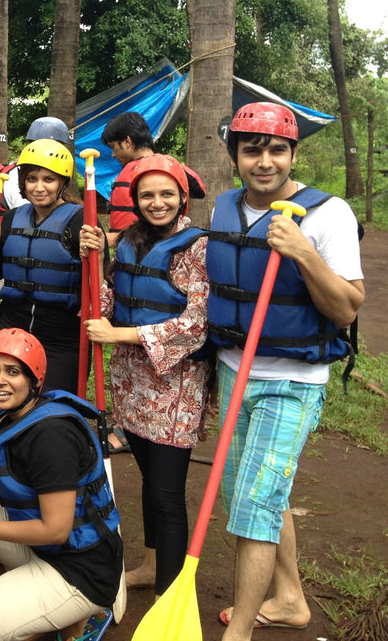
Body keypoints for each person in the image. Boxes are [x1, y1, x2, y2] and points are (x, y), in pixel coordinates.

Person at [209, 103, 363, 641]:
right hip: (234, 370)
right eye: (252, 150)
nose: (265, 161)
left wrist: (303, 254)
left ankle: (239, 633)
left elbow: (346, 310)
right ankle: (290, 598)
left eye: (277, 150)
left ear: (294, 154)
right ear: (235, 156)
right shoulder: (224, 207)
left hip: (293, 381)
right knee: (251, 494)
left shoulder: (328, 214)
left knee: (255, 505)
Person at [79, 154, 210, 599]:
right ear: (135, 200)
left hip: (175, 388)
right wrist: (97, 260)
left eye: (166, 194)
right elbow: (106, 302)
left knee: (167, 493)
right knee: (151, 485)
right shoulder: (129, 241)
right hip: (132, 384)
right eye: (148, 195)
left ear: (182, 197)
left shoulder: (197, 248)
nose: (157, 202)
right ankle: (154, 567)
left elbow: (195, 323)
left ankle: (169, 595)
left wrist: (120, 334)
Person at [0, 328, 123, 641]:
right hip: (46, 550)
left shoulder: (51, 438)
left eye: (13, 372)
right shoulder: (13, 418)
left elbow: (56, 530)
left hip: (80, 570)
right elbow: (24, 491)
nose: (0, 380)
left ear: (34, 379)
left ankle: (76, 613)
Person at [0, 139, 84, 394]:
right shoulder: (12, 218)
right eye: (32, 179)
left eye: (49, 179)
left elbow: (100, 289)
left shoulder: (80, 221)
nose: (39, 187)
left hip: (62, 336)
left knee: (55, 404)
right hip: (13, 326)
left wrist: (97, 255)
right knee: (12, 400)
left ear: (62, 182)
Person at [101, 111, 205, 246]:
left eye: (113, 147)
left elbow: (128, 239)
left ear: (127, 142)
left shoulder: (130, 173)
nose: (113, 155)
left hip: (143, 251)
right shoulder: (172, 167)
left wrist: (99, 240)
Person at [2, 116, 71, 211]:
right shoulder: (18, 171)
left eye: (48, 179)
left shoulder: (56, 168)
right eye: (32, 179)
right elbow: (27, 214)